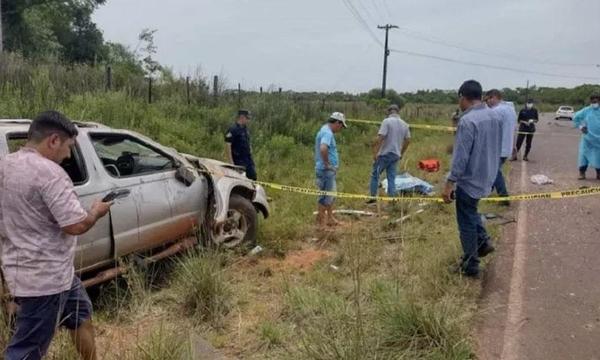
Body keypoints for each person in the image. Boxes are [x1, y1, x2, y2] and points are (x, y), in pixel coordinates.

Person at [0, 111, 112, 360]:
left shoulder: (6, 165)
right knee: (26, 350)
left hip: (44, 273)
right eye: (68, 147)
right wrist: (95, 212)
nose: (68, 155)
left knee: (81, 313)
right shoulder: (50, 173)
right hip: (45, 281)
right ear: (53, 140)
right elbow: (76, 225)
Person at [442, 80, 503, 278]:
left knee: (465, 220)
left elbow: (461, 157)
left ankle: (470, 264)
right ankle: (483, 241)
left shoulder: (468, 121)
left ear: (462, 97)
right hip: (488, 174)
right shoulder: (494, 116)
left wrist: (450, 183)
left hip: (470, 179)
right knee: (471, 211)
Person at [366, 104, 411, 203]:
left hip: (384, 154)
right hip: (395, 154)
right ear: (398, 112)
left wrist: (375, 152)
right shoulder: (405, 124)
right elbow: (408, 140)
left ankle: (373, 198)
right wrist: (401, 152)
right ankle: (392, 199)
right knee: (391, 177)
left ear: (389, 112)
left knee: (375, 175)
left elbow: (380, 138)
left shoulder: (386, 121)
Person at [314, 112, 347, 227]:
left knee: (329, 196)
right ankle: (321, 224)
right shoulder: (327, 133)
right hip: (325, 171)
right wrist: (328, 164)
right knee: (325, 197)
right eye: (341, 126)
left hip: (325, 171)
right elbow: (323, 148)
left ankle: (330, 218)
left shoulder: (324, 129)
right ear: (337, 122)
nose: (341, 129)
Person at [485, 89, 517, 203]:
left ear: (493, 97)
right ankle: (488, 191)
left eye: (487, 99)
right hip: (506, 146)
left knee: (493, 171)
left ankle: (504, 197)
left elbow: (490, 130)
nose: (487, 103)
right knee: (493, 170)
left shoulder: (496, 111)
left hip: (497, 147)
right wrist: (514, 146)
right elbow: (514, 129)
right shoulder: (511, 109)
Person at [573, 93, 600, 180]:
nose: (594, 102)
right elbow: (575, 117)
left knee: (598, 157)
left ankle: (599, 174)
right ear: (590, 101)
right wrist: (581, 127)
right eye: (593, 101)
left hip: (598, 140)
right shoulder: (586, 110)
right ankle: (582, 173)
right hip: (587, 138)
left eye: (596, 100)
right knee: (583, 156)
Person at [225, 109, 257, 180]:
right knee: (241, 181)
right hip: (238, 161)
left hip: (248, 161)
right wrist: (231, 163)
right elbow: (228, 146)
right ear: (242, 117)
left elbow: (248, 142)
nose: (248, 120)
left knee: (253, 178)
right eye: (247, 118)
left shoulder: (245, 129)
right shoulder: (233, 130)